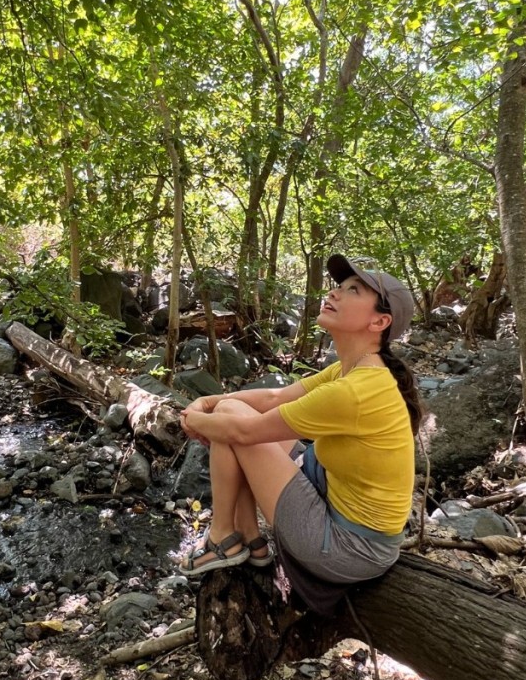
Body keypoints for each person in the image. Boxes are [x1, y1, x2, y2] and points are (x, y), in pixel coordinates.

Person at [178, 255, 421, 612]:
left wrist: (193, 418)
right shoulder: (353, 370)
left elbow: (247, 431)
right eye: (339, 286)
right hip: (336, 502)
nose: (336, 294)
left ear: (379, 321)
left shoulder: (356, 389)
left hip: (349, 548)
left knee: (234, 426)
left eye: (353, 290)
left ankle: (222, 538)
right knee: (232, 416)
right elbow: (275, 397)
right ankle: (247, 539)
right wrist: (211, 402)